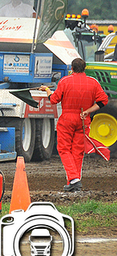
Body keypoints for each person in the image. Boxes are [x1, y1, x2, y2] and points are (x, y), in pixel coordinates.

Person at [40, 58, 108, 192]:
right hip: (83, 119)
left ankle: (73, 179)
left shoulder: (65, 81)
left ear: (72, 68)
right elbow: (103, 100)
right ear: (85, 68)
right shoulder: (93, 82)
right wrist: (88, 111)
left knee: (64, 149)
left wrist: (47, 90)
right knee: (78, 152)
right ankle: (74, 181)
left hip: (67, 119)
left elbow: (54, 100)